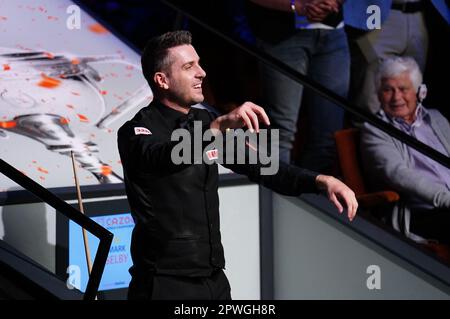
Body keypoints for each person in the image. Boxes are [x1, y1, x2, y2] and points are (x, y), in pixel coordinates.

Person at [118, 30, 357, 300]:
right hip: (164, 284)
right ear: (162, 80)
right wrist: (216, 128)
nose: (201, 73)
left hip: (214, 279)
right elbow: (164, 158)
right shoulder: (136, 130)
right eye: (188, 67)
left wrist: (321, 180)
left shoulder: (203, 120)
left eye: (198, 63)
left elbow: (266, 168)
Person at [246, 0, 350, 173]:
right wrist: (296, 6)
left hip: (333, 33)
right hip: (281, 35)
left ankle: (310, 195)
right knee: (281, 131)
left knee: (328, 136)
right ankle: (277, 196)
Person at [360, 57, 450, 244]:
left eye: (403, 89)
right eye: (387, 90)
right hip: (424, 213)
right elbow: (399, 174)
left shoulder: (436, 118)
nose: (396, 98)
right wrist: (446, 199)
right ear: (378, 94)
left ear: (420, 92)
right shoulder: (375, 130)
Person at [343, 0, 450, 116]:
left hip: (420, 14)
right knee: (370, 100)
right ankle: (370, 134)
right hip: (375, 12)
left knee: (411, 98)